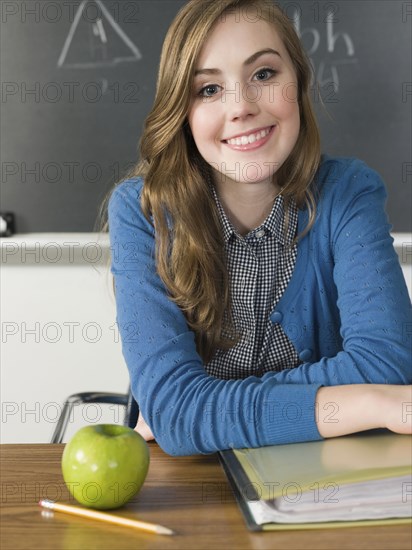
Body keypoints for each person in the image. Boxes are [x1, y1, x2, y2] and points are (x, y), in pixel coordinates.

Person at [104, 0, 411, 456]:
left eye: (264, 75)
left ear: (299, 82)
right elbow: (176, 414)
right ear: (182, 113)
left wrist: (205, 408)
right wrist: (366, 401)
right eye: (208, 89)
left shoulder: (348, 192)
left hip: (326, 479)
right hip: (190, 488)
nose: (241, 107)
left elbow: (387, 368)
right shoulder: (143, 211)